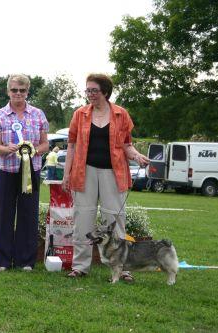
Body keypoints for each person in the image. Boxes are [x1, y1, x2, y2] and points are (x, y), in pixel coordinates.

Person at [62, 73, 149, 279]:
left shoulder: (121, 114)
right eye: (88, 90)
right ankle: (80, 267)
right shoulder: (79, 114)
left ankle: (121, 267)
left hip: (114, 172)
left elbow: (127, 145)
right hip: (84, 173)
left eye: (94, 90)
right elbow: (72, 146)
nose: (90, 94)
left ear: (105, 92)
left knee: (115, 218)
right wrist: (67, 174)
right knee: (83, 218)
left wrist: (137, 156)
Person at [0, 74, 49, 272]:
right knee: (3, 214)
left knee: (28, 214)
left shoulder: (38, 114)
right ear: (8, 91)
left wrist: (33, 150)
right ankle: (1, 260)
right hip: (5, 170)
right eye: (14, 90)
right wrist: (10, 149)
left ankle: (25, 261)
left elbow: (45, 144)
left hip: (30, 170)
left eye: (22, 90)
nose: (18, 94)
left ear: (27, 92)